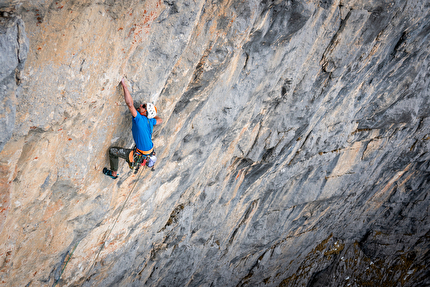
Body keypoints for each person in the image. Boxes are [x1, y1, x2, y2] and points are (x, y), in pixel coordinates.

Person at [103, 78, 162, 179]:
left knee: (112, 151)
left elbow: (130, 104)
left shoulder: (140, 119)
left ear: (145, 112)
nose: (140, 105)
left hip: (139, 154)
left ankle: (113, 174)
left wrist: (124, 86)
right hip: (147, 152)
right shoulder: (150, 121)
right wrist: (150, 116)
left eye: (143, 106)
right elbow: (160, 120)